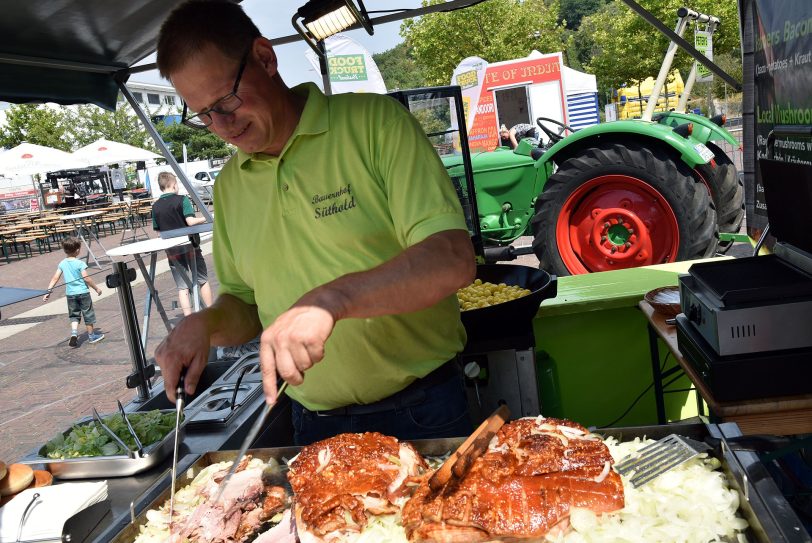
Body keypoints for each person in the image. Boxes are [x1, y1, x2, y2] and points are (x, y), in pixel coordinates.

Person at [154, 0, 476, 445]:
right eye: (204, 114)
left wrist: (331, 300)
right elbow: (247, 306)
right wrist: (206, 324)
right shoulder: (230, 185)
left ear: (265, 58)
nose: (222, 125)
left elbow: (451, 259)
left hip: (422, 408)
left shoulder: (374, 124)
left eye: (226, 100)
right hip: (312, 421)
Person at [152, 171, 215, 316]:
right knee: (202, 279)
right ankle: (211, 313)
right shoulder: (182, 200)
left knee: (182, 287)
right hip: (190, 245)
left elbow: (158, 231)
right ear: (174, 185)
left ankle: (188, 318)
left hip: (172, 250)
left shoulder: (155, 207)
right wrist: (207, 217)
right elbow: (190, 221)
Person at [43, 237, 105, 346]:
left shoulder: (62, 263)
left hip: (70, 294)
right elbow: (86, 278)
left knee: (74, 315)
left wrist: (48, 291)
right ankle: (91, 336)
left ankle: (74, 333)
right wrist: (96, 288)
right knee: (88, 314)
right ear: (77, 250)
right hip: (83, 293)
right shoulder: (80, 263)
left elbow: (55, 278)